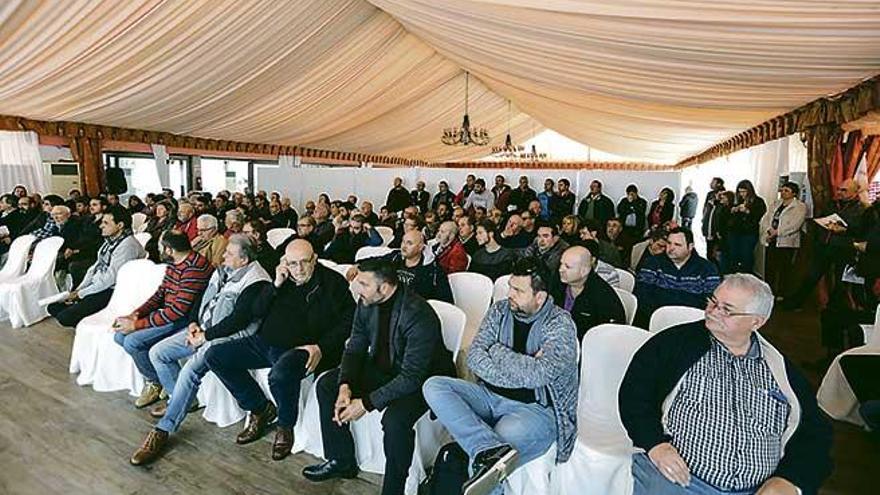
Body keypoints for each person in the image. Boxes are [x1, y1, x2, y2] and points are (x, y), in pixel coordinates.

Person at [620, 274, 833, 495]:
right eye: (713, 301)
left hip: (758, 489)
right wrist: (656, 445)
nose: (713, 311)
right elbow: (634, 396)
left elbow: (815, 433)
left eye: (727, 309)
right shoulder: (673, 345)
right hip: (679, 480)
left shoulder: (780, 370)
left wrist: (791, 480)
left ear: (757, 322)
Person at [423, 257, 578, 495]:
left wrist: (495, 350)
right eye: (510, 286)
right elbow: (475, 356)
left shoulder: (560, 323)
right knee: (434, 386)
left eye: (518, 290)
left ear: (540, 296)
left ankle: (488, 459)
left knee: (502, 437)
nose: (510, 294)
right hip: (488, 395)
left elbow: (540, 375)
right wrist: (522, 364)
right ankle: (487, 451)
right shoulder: (500, 309)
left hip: (535, 409)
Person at [303, 258, 455, 495]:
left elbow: (411, 377)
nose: (357, 288)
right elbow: (355, 347)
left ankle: (393, 490)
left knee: (394, 422)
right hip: (385, 367)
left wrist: (365, 403)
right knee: (327, 385)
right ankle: (341, 459)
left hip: (424, 380)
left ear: (383, 288)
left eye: (363, 283)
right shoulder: (366, 302)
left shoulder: (418, 314)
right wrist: (345, 386)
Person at [129, 234, 274, 465]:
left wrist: (205, 337)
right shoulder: (224, 269)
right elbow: (202, 299)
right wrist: (194, 323)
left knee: (190, 371)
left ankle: (163, 429)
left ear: (244, 260)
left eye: (229, 253)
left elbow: (238, 321)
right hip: (203, 331)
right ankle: (184, 400)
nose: (223, 255)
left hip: (228, 339)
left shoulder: (257, 281)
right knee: (158, 353)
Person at [206, 239, 356, 460]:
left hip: (301, 348)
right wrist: (275, 284)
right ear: (285, 262)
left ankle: (285, 427)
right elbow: (257, 310)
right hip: (264, 342)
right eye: (293, 263)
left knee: (280, 374)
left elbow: (349, 321)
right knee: (215, 356)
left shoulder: (333, 283)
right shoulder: (281, 279)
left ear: (314, 259)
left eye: (304, 262)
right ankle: (259, 408)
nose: (299, 269)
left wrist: (320, 347)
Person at [112, 231, 213, 408]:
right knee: (120, 336)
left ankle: (163, 387)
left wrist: (136, 325)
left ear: (169, 249)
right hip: (170, 315)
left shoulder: (194, 268)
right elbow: (160, 294)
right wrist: (136, 314)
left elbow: (177, 311)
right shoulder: (176, 263)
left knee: (132, 342)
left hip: (184, 320)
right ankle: (157, 381)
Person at [48, 207, 146, 327]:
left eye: (106, 223)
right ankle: (82, 313)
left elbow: (110, 279)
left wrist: (82, 294)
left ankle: (89, 320)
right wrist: (79, 290)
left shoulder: (127, 245)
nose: (101, 226)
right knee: (52, 307)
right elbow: (94, 268)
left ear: (120, 225)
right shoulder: (110, 240)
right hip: (99, 285)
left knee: (65, 317)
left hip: (113, 290)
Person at [785, 178, 867, 309]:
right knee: (811, 275)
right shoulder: (832, 204)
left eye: (844, 190)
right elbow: (822, 218)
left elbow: (862, 231)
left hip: (844, 247)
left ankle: (834, 307)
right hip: (824, 245)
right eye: (839, 189)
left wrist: (845, 230)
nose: (839, 192)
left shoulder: (862, 209)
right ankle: (795, 303)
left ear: (855, 192)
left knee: (840, 281)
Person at [633, 227, 720, 328]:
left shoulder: (707, 269)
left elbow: (711, 303)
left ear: (690, 246)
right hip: (655, 321)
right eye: (669, 243)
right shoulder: (652, 263)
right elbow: (642, 295)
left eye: (677, 245)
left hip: (692, 325)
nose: (671, 248)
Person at [555, 246, 626, 340]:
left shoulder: (604, 296)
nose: (561, 269)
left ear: (584, 271)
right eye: (561, 264)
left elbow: (610, 335)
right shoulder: (558, 282)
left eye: (567, 267)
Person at [761, 181, 807, 298]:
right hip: (771, 240)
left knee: (784, 269)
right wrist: (769, 230)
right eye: (782, 190)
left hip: (786, 242)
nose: (783, 192)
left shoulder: (799, 207)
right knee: (770, 268)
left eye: (787, 191)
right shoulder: (776, 204)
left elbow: (795, 225)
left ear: (794, 193)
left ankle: (782, 293)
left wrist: (778, 232)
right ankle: (769, 292)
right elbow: (766, 218)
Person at [725, 180, 766, 274]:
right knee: (733, 255)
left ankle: (747, 278)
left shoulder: (758, 201)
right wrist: (733, 210)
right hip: (735, 232)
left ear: (749, 191)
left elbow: (761, 216)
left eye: (744, 192)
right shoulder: (738, 200)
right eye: (739, 192)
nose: (741, 194)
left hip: (749, 233)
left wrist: (748, 211)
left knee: (746, 256)